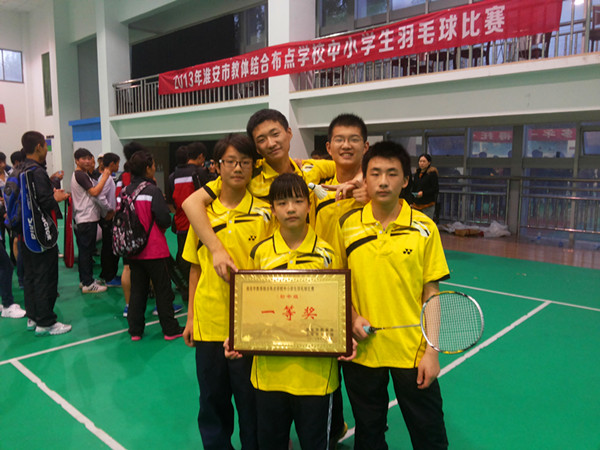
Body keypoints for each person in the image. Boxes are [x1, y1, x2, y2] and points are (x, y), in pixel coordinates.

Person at [338, 141, 450, 449]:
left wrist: (432, 353)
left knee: (430, 435)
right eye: (375, 173)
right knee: (369, 433)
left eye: (392, 173)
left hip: (412, 351)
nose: (383, 181)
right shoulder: (346, 226)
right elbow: (337, 285)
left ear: (405, 180)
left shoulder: (425, 228)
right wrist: (352, 318)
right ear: (365, 179)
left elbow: (432, 293)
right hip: (363, 351)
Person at [225, 173, 348, 450]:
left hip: (317, 379)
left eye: (298, 201)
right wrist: (237, 336)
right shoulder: (260, 253)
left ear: (309, 206)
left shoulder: (327, 253)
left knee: (315, 444)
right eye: (282, 203)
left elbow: (336, 307)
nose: (290, 208)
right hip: (268, 377)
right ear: (272, 209)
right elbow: (249, 306)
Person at [182, 134, 270, 450]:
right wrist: (191, 318)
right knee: (212, 401)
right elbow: (195, 268)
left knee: (252, 402)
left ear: (253, 167)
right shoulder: (203, 216)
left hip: (251, 327)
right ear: (217, 167)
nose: (237, 168)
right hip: (210, 322)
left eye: (244, 162)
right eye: (230, 162)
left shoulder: (266, 213)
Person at [182, 108, 336, 282]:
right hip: (268, 266)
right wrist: (216, 249)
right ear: (256, 147)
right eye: (261, 140)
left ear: (289, 133)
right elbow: (191, 203)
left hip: (311, 263)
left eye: (275, 134)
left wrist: (357, 180)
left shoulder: (311, 169)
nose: (271, 143)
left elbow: (350, 165)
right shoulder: (248, 173)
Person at [125, 150, 184, 341]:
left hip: (133, 250)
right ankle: (170, 329)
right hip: (154, 250)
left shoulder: (126, 191)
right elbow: (164, 218)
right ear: (148, 168)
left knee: (137, 291)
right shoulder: (152, 191)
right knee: (163, 290)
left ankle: (135, 331)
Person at [20, 131, 71, 336]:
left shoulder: (19, 170)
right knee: (45, 277)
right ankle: (46, 322)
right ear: (39, 147)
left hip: (26, 233)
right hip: (41, 235)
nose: (46, 151)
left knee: (31, 276)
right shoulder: (37, 172)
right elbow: (44, 201)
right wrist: (57, 197)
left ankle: (33, 316)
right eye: (45, 146)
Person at [169, 142, 210, 302]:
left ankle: (186, 287)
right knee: (202, 256)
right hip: (199, 223)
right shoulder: (200, 172)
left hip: (181, 223)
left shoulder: (173, 176)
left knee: (183, 256)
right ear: (200, 156)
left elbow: (171, 201)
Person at [71, 148, 110, 293]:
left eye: (89, 158)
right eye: (84, 159)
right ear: (77, 160)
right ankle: (88, 284)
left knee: (85, 252)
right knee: (86, 252)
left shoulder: (83, 174)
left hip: (84, 218)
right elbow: (94, 192)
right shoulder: (80, 175)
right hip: (86, 218)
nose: (87, 161)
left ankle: (85, 280)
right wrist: (105, 177)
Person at [97, 152, 121, 287]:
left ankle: (106, 274)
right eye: (117, 163)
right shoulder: (107, 179)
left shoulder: (105, 177)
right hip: (107, 218)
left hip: (106, 217)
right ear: (112, 164)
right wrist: (110, 210)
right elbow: (100, 197)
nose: (118, 166)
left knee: (107, 247)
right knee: (109, 248)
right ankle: (109, 276)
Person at [411, 153, 439, 220]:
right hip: (416, 204)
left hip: (427, 204)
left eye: (424, 161)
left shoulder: (432, 173)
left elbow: (435, 188)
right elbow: (414, 187)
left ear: (429, 163)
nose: (422, 163)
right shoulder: (417, 173)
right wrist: (412, 200)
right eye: (420, 161)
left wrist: (423, 193)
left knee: (426, 223)